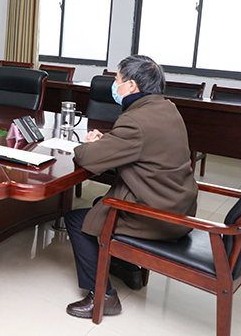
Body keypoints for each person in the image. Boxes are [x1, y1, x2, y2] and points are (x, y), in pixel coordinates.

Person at [65, 55, 198, 319]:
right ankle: (129, 270)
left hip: (158, 216)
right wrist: (108, 142)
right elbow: (142, 145)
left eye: (117, 80)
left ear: (132, 86)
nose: (114, 85)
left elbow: (88, 159)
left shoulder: (136, 120)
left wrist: (89, 145)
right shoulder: (167, 108)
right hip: (179, 207)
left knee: (78, 221)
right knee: (99, 205)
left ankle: (103, 296)